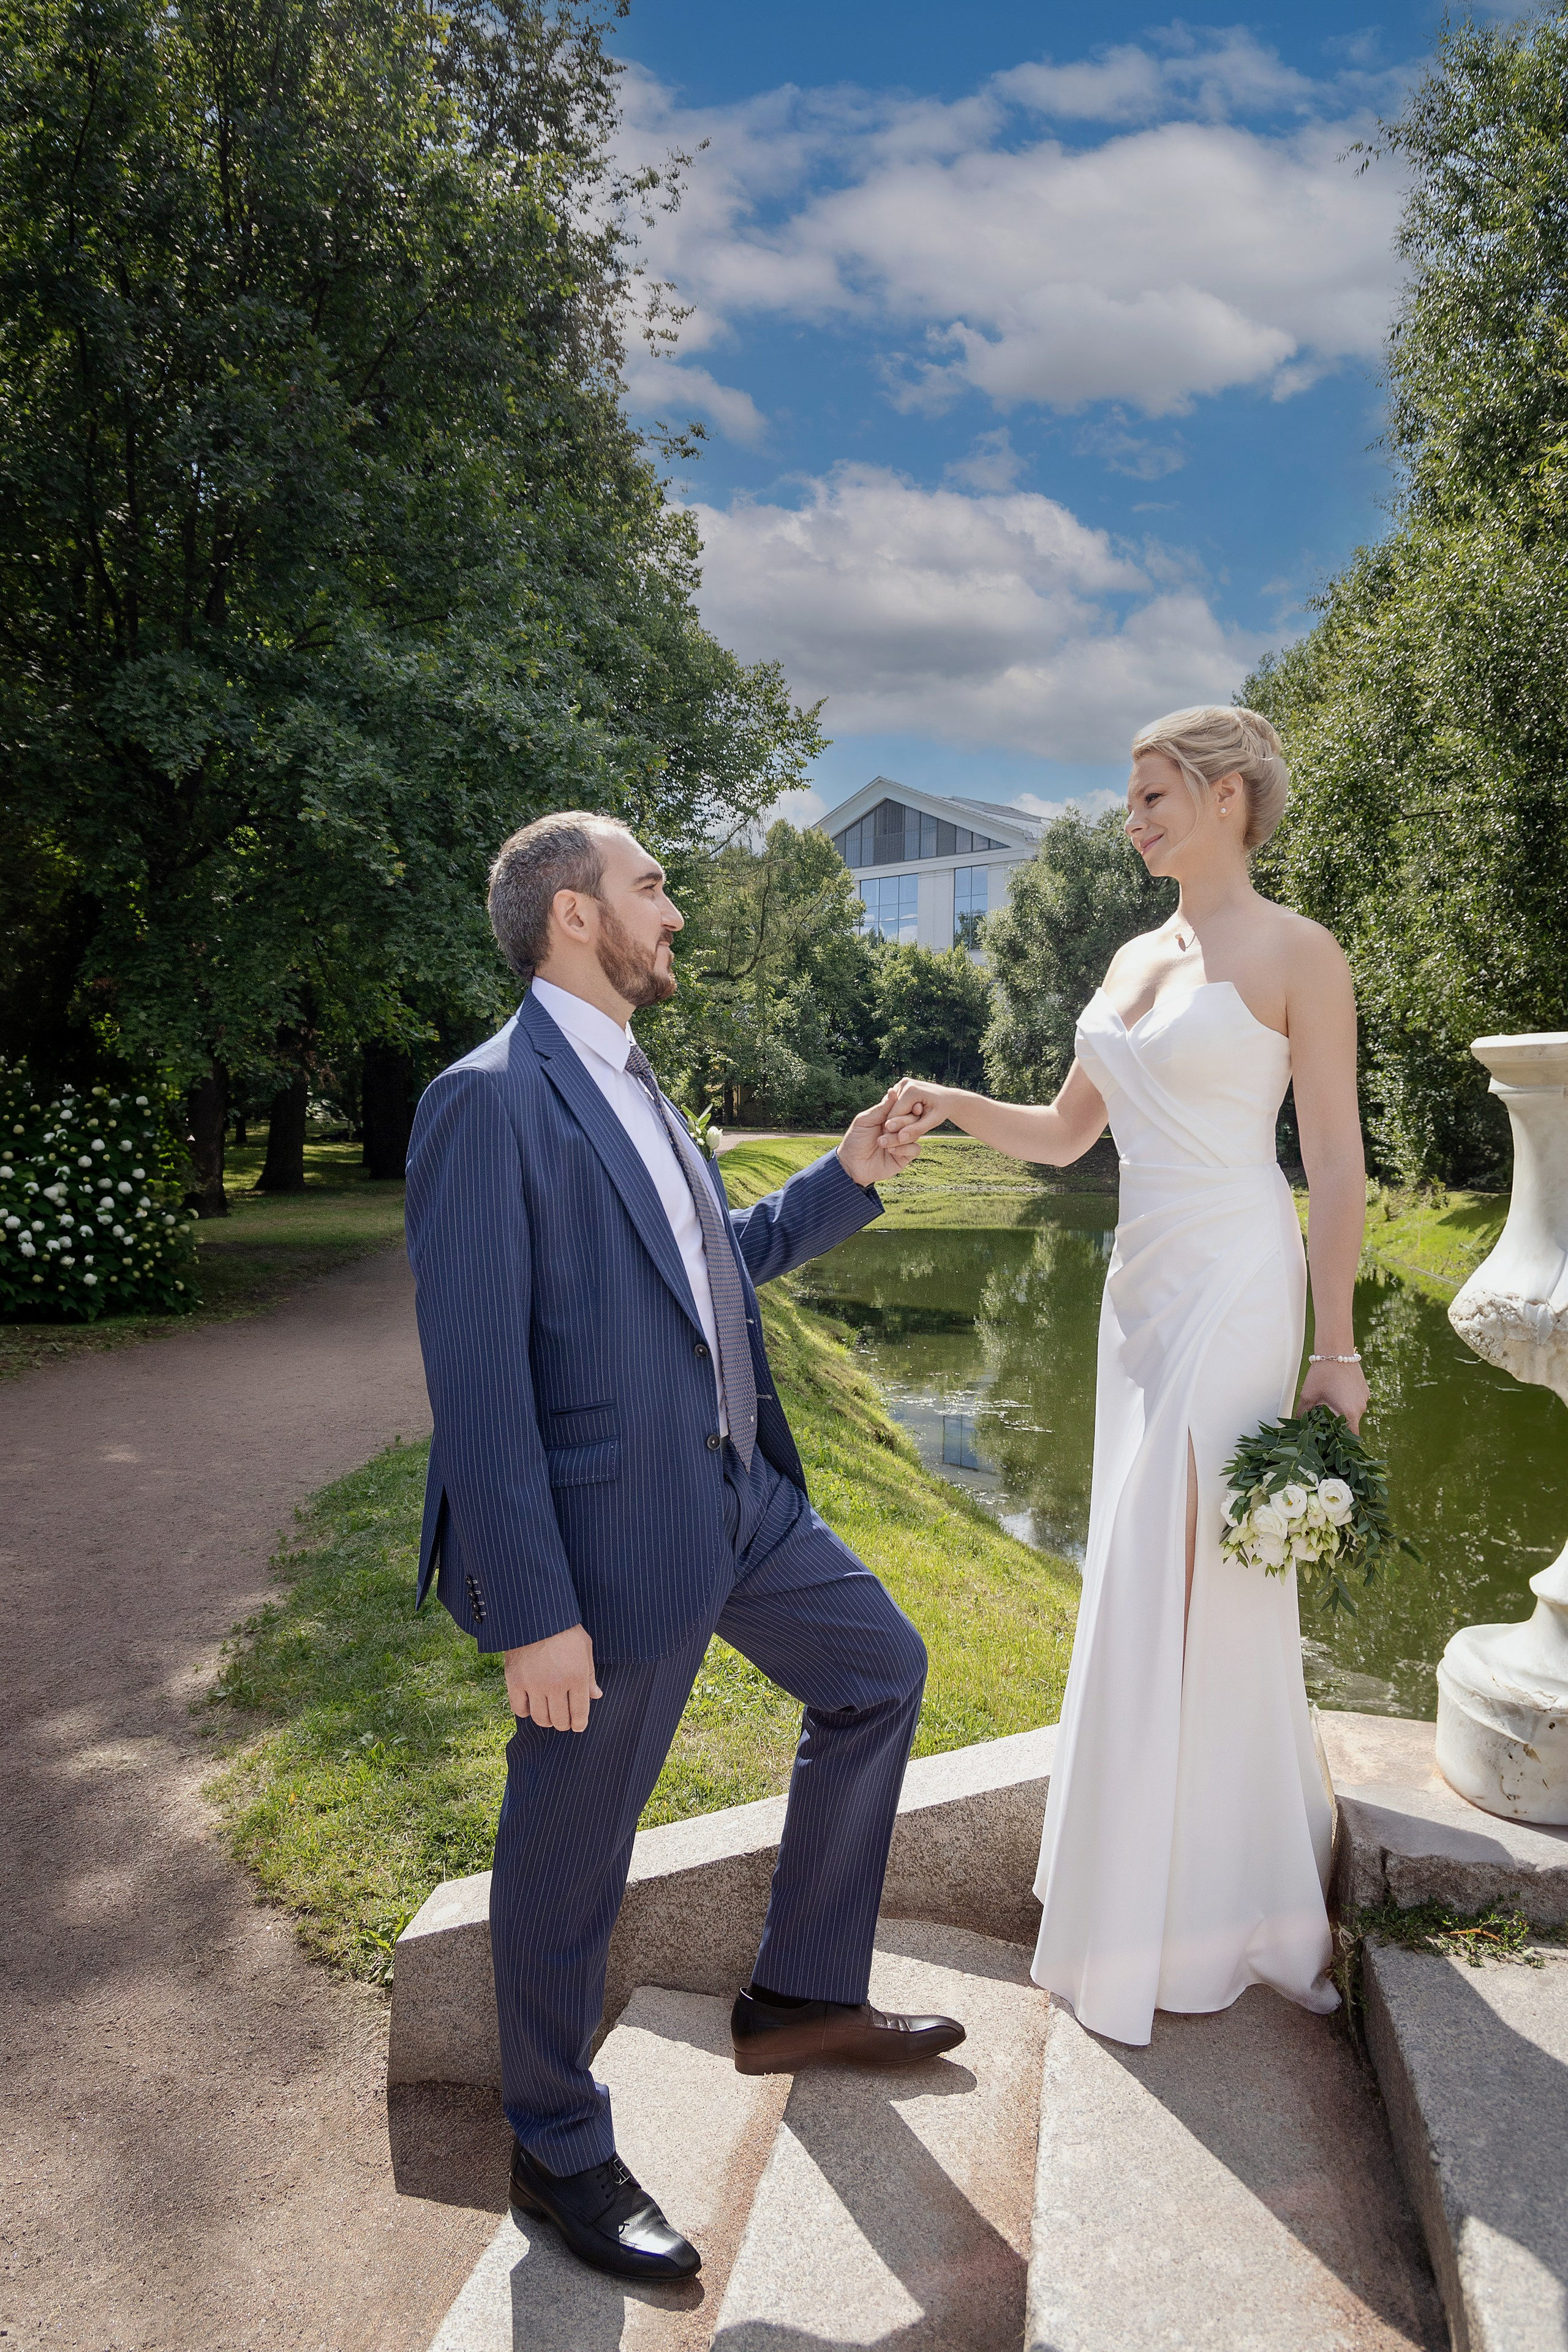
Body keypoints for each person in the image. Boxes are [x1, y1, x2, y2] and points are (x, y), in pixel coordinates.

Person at [403, 812, 964, 2283]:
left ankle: (797, 1994)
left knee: (877, 1673)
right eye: (651, 886)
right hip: (603, 1546)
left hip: (742, 1503)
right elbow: (476, 1383)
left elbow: (714, 1263)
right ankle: (557, 2148)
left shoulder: (639, 1082)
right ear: (575, 916)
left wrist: (845, 1175)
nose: (674, 909)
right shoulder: (486, 1102)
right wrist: (533, 1612)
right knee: (569, 1855)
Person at [884, 706, 1368, 2048]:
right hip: (1136, 1293)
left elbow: (1333, 1166)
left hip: (1234, 1281)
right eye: (1128, 798)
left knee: (1201, 1572)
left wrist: (1334, 1349)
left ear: (1224, 797)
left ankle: (1217, 1916)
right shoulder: (1127, 953)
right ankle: (1133, 1899)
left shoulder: (1295, 952)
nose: (1132, 817)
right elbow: (1057, 1137)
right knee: (1137, 1570)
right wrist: (944, 1101)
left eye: (1152, 795)